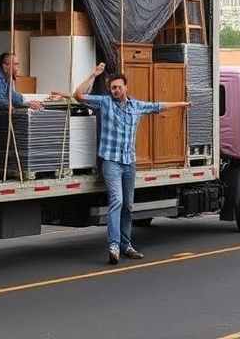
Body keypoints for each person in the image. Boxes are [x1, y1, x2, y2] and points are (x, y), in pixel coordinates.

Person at [74, 62, 189, 265]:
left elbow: (157, 106)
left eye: (119, 87)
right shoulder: (104, 103)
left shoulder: (136, 106)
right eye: (113, 88)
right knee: (116, 201)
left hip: (129, 163)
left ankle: (126, 245)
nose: (116, 90)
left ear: (126, 87)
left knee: (128, 205)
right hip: (111, 161)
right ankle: (113, 246)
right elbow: (79, 95)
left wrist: (181, 105)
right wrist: (94, 74)